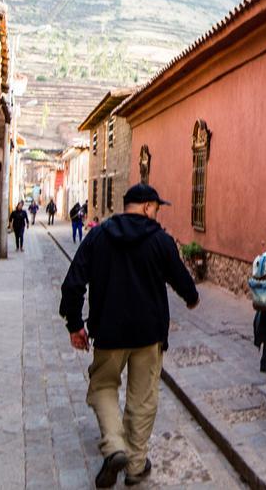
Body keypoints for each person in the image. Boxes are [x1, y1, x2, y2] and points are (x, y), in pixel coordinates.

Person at [60, 184, 199, 488]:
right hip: (149, 335)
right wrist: (191, 298)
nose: (156, 213)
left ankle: (114, 447)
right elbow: (181, 279)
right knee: (143, 398)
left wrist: (75, 324)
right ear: (147, 206)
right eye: (156, 208)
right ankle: (135, 465)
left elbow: (73, 283)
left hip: (109, 332)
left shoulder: (98, 236)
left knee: (103, 388)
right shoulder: (160, 241)